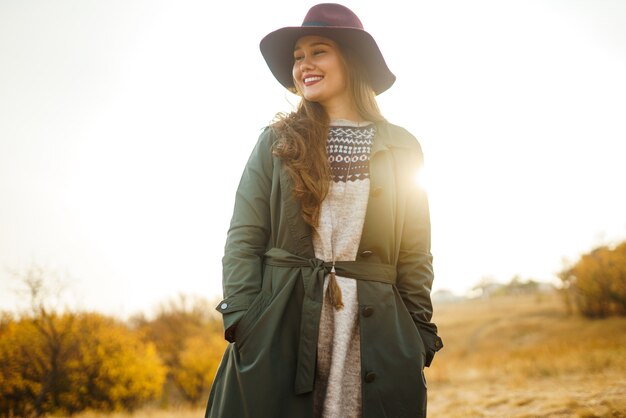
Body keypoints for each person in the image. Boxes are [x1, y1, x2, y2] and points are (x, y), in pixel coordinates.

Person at [205, 4, 443, 418]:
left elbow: (415, 252)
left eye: (319, 51)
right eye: (298, 56)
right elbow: (244, 235)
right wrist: (245, 321)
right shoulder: (276, 142)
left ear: (352, 60)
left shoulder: (403, 146)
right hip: (280, 328)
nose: (304, 65)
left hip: (373, 333)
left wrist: (417, 334)